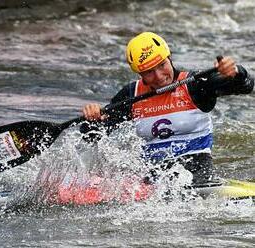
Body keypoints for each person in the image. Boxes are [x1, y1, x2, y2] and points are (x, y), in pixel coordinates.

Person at [81, 32, 254, 185]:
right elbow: (92, 135)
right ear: (139, 74)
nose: (159, 76)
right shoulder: (131, 94)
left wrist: (236, 72)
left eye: (162, 65)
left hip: (196, 170)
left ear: (169, 58)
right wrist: (93, 119)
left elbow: (246, 86)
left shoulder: (195, 84)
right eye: (149, 72)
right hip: (152, 176)